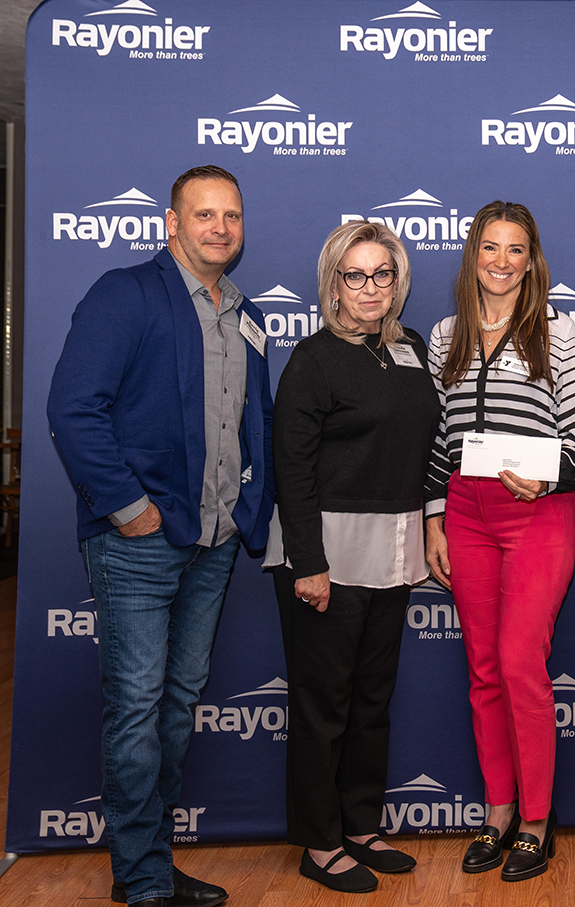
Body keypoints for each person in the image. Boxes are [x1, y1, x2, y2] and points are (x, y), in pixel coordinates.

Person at [47, 165, 274, 907]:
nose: (219, 227)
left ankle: (150, 858)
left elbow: (253, 428)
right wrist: (127, 507)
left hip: (212, 545)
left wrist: (249, 514)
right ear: (170, 224)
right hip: (137, 542)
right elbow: (73, 408)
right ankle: (142, 878)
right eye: (203, 214)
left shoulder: (244, 314)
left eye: (231, 215)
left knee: (176, 702)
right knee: (138, 703)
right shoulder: (126, 294)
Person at [264, 221, 440, 893]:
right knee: (322, 704)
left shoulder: (410, 348)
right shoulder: (311, 358)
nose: (370, 288)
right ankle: (319, 839)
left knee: (371, 698)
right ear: (332, 283)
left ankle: (361, 824)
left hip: (394, 549)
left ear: (398, 281)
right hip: (326, 554)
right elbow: (292, 467)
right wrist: (307, 562)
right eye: (355, 275)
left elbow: (424, 446)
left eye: (382, 274)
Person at [424, 201, 575, 882]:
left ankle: (535, 819)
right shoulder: (444, 333)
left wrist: (544, 477)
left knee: (521, 663)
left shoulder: (558, 331)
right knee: (484, 668)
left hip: (536, 513)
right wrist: (433, 516)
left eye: (514, 249)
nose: (500, 260)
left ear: (532, 258)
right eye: (489, 247)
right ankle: (497, 810)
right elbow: (439, 439)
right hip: (465, 513)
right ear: (472, 255)